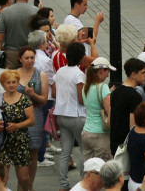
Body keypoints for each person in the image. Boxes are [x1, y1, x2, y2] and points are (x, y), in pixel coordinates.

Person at [0, 69, 34, 191]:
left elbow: (31, 120)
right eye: (8, 82)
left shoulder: (24, 99)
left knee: (23, 178)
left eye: (14, 82)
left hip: (21, 141)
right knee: (3, 179)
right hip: (4, 142)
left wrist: (17, 126)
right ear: (3, 84)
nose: (12, 85)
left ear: (18, 83)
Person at [53, 42, 87, 189]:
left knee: (65, 152)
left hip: (61, 114)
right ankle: (83, 181)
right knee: (84, 149)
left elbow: (54, 93)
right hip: (76, 114)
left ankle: (63, 184)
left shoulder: (60, 71)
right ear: (81, 57)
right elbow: (81, 98)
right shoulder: (79, 73)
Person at [109, 58, 145, 154]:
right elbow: (133, 127)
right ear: (133, 75)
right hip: (126, 146)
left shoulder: (115, 92)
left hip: (114, 143)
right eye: (143, 73)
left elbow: (109, 121)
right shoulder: (135, 96)